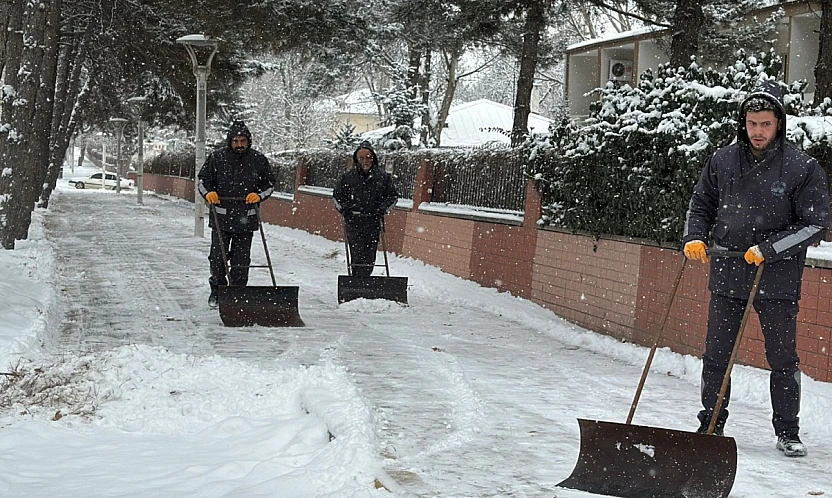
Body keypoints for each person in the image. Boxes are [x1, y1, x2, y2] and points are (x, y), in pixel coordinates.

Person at [682, 79, 829, 457]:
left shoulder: (802, 166)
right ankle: (711, 423)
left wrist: (769, 248)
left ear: (779, 122)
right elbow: (701, 204)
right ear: (742, 122)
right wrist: (694, 237)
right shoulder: (722, 160)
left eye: (765, 123)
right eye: (752, 123)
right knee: (717, 354)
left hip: (776, 277)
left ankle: (788, 431)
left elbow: (816, 223)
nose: (758, 131)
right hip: (729, 270)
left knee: (782, 358)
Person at [198, 120, 275, 308]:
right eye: (235, 141)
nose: (239, 145)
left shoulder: (258, 160)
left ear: (248, 141)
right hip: (221, 217)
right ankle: (217, 290)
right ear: (229, 141)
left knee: (241, 261)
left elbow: (270, 185)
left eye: (242, 141)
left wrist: (258, 195)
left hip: (246, 218)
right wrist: (208, 193)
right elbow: (202, 181)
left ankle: (238, 292)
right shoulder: (217, 158)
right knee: (217, 258)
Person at [333, 141, 398, 277]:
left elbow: (392, 197)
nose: (365, 161)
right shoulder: (347, 177)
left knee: (369, 256)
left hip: (373, 221)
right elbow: (337, 197)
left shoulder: (383, 177)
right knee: (357, 253)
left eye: (368, 157)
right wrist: (345, 210)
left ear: (373, 158)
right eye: (361, 158)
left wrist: (382, 209)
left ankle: (365, 280)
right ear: (356, 159)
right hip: (354, 221)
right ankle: (357, 280)